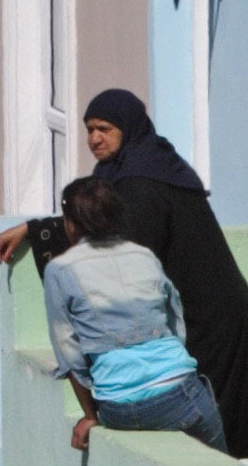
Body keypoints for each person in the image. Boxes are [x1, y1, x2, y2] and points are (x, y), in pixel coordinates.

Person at [0, 87, 248, 458]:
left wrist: (43, 233)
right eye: (89, 129)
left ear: (127, 129)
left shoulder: (143, 181)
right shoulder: (135, 169)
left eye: (104, 129)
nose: (94, 139)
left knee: (220, 423)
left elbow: (114, 243)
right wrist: (35, 229)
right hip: (201, 309)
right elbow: (102, 222)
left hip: (211, 315)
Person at [39, 177, 225, 452]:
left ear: (71, 223)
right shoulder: (144, 255)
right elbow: (175, 320)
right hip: (181, 395)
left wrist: (91, 416)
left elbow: (68, 352)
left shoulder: (60, 269)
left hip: (119, 408)